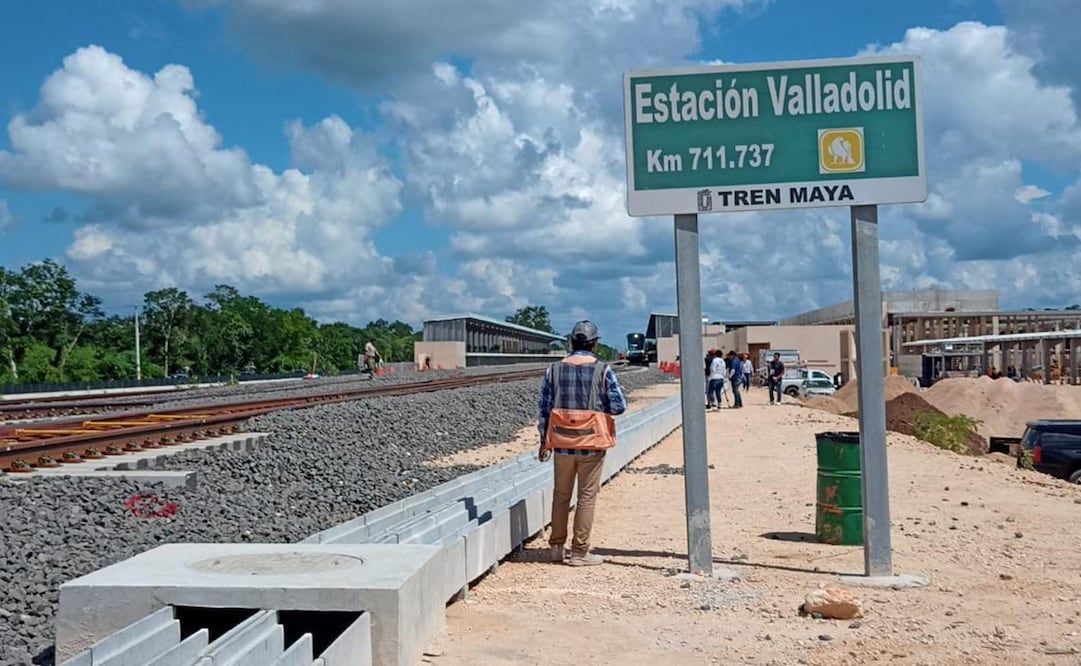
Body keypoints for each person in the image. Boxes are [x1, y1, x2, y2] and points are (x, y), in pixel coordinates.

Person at [537, 320, 627, 567]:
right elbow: (618, 406)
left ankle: (556, 547)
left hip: (561, 443)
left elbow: (544, 408)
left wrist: (544, 441)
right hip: (592, 443)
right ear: (594, 344)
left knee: (561, 494)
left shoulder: (553, 370)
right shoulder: (603, 370)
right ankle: (579, 552)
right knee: (586, 496)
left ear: (571, 342)